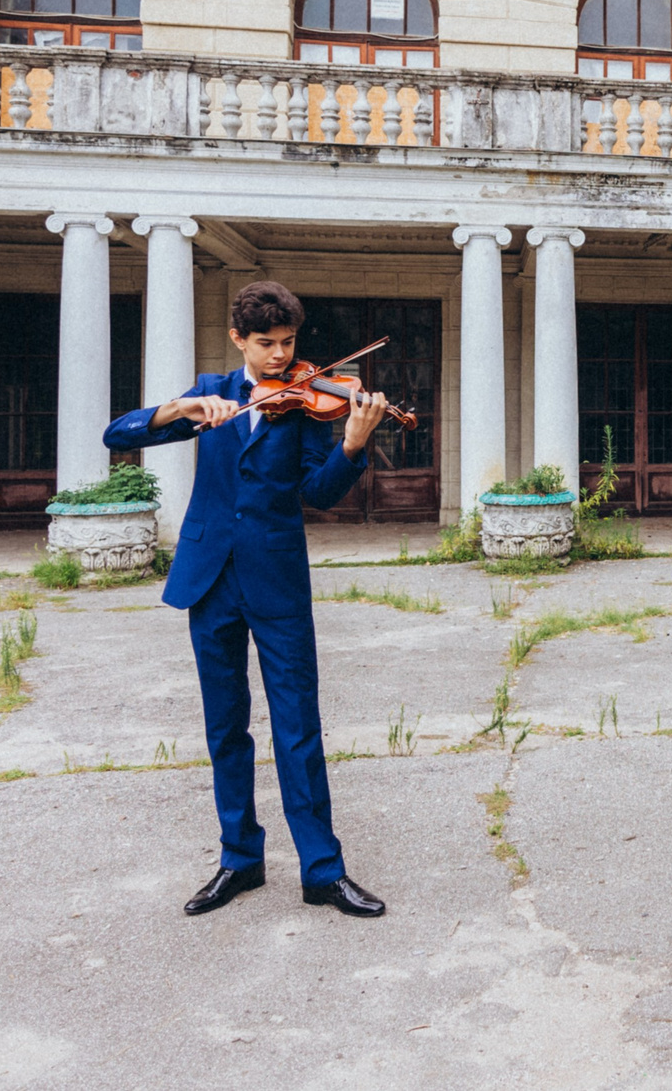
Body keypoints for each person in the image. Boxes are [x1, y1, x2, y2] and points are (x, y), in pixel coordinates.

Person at [102, 280, 391, 919]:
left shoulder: (314, 399)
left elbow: (318, 491)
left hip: (276, 577)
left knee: (297, 726)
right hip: (209, 576)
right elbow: (116, 435)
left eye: (289, 343)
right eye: (266, 344)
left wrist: (352, 443)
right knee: (225, 726)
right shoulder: (213, 391)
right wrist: (180, 411)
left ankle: (323, 871)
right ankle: (240, 860)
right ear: (239, 339)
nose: (280, 357)